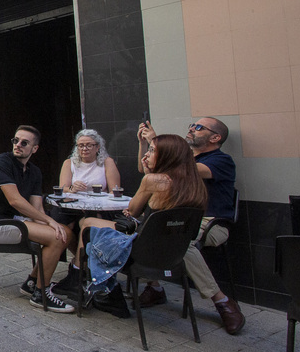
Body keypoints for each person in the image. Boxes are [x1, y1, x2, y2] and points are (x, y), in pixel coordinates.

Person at [78, 134, 209, 318]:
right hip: (175, 253)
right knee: (92, 226)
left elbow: (132, 210)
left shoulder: (153, 180)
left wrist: (148, 176)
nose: (146, 155)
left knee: (86, 224)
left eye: (152, 150)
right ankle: (100, 287)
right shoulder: (195, 184)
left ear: (167, 156)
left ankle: (93, 285)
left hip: (142, 253)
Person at [135, 118, 244, 334]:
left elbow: (182, 170)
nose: (192, 129)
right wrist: (144, 145)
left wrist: (156, 143)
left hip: (211, 223)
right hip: (174, 219)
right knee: (146, 234)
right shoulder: (183, 158)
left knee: (181, 242)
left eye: (199, 127)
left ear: (216, 137)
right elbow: (146, 170)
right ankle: (154, 286)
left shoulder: (221, 161)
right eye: (192, 125)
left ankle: (222, 301)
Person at [0, 126, 75, 313]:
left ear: (34, 149)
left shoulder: (34, 171)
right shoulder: (1, 162)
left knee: (65, 233)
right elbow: (15, 201)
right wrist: (49, 223)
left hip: (14, 221)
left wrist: (48, 224)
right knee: (56, 236)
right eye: (15, 140)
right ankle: (41, 294)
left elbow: (36, 206)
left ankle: (32, 283)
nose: (18, 145)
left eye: (24, 142)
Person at [49, 128, 122, 297]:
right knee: (62, 224)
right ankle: (81, 265)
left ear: (98, 147)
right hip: (73, 206)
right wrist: (72, 188)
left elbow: (115, 191)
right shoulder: (70, 163)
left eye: (89, 145)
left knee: (87, 224)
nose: (84, 149)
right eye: (81, 145)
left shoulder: (107, 162)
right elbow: (63, 189)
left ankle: (78, 269)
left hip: (97, 208)